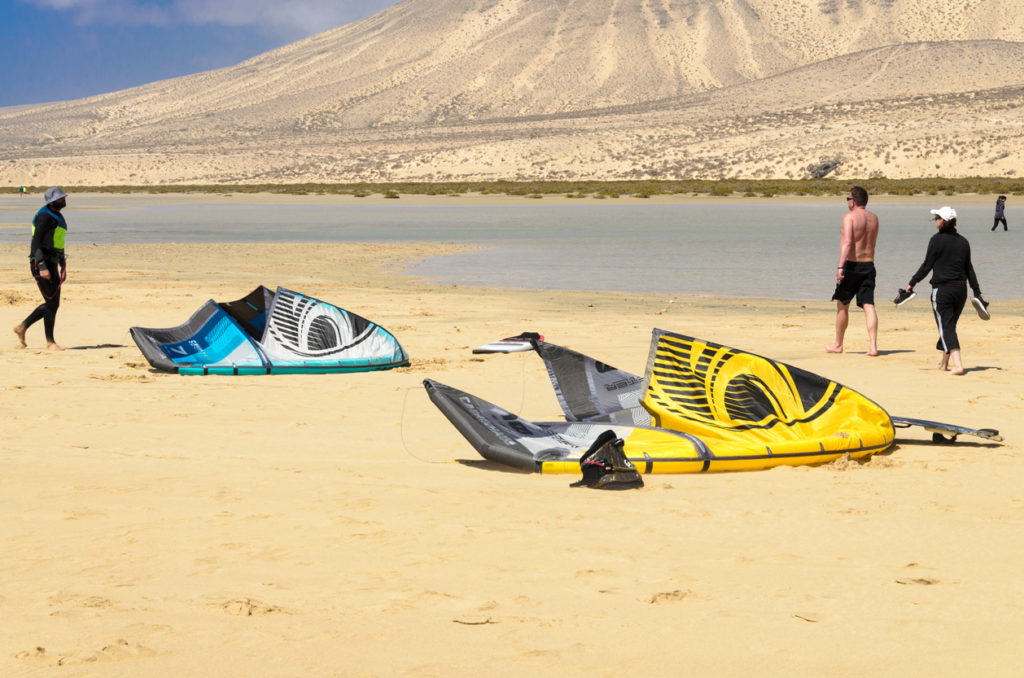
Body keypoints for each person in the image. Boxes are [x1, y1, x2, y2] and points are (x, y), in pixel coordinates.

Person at [903, 206, 985, 376]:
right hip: (961, 291)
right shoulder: (964, 241)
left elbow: (927, 265)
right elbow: (969, 269)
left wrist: (911, 283)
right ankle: (944, 363)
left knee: (946, 327)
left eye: (937, 218)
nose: (936, 221)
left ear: (942, 221)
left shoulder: (936, 240)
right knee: (949, 325)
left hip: (942, 291)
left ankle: (958, 365)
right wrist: (977, 292)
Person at [12, 187, 70, 351]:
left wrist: (62, 263)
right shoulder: (44, 216)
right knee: (51, 303)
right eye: (61, 198)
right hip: (41, 262)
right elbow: (35, 242)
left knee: (54, 303)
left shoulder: (57, 215)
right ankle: (50, 342)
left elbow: (58, 243)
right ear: (52, 201)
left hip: (52, 261)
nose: (64, 200)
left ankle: (22, 327)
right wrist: (42, 266)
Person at [825, 186, 880, 356]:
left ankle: (838, 344)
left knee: (842, 304)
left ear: (853, 201)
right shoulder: (874, 218)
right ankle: (873, 346)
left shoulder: (849, 217)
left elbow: (848, 243)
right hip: (869, 264)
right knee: (868, 305)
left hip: (852, 265)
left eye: (847, 199)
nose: (847, 202)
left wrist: (840, 267)